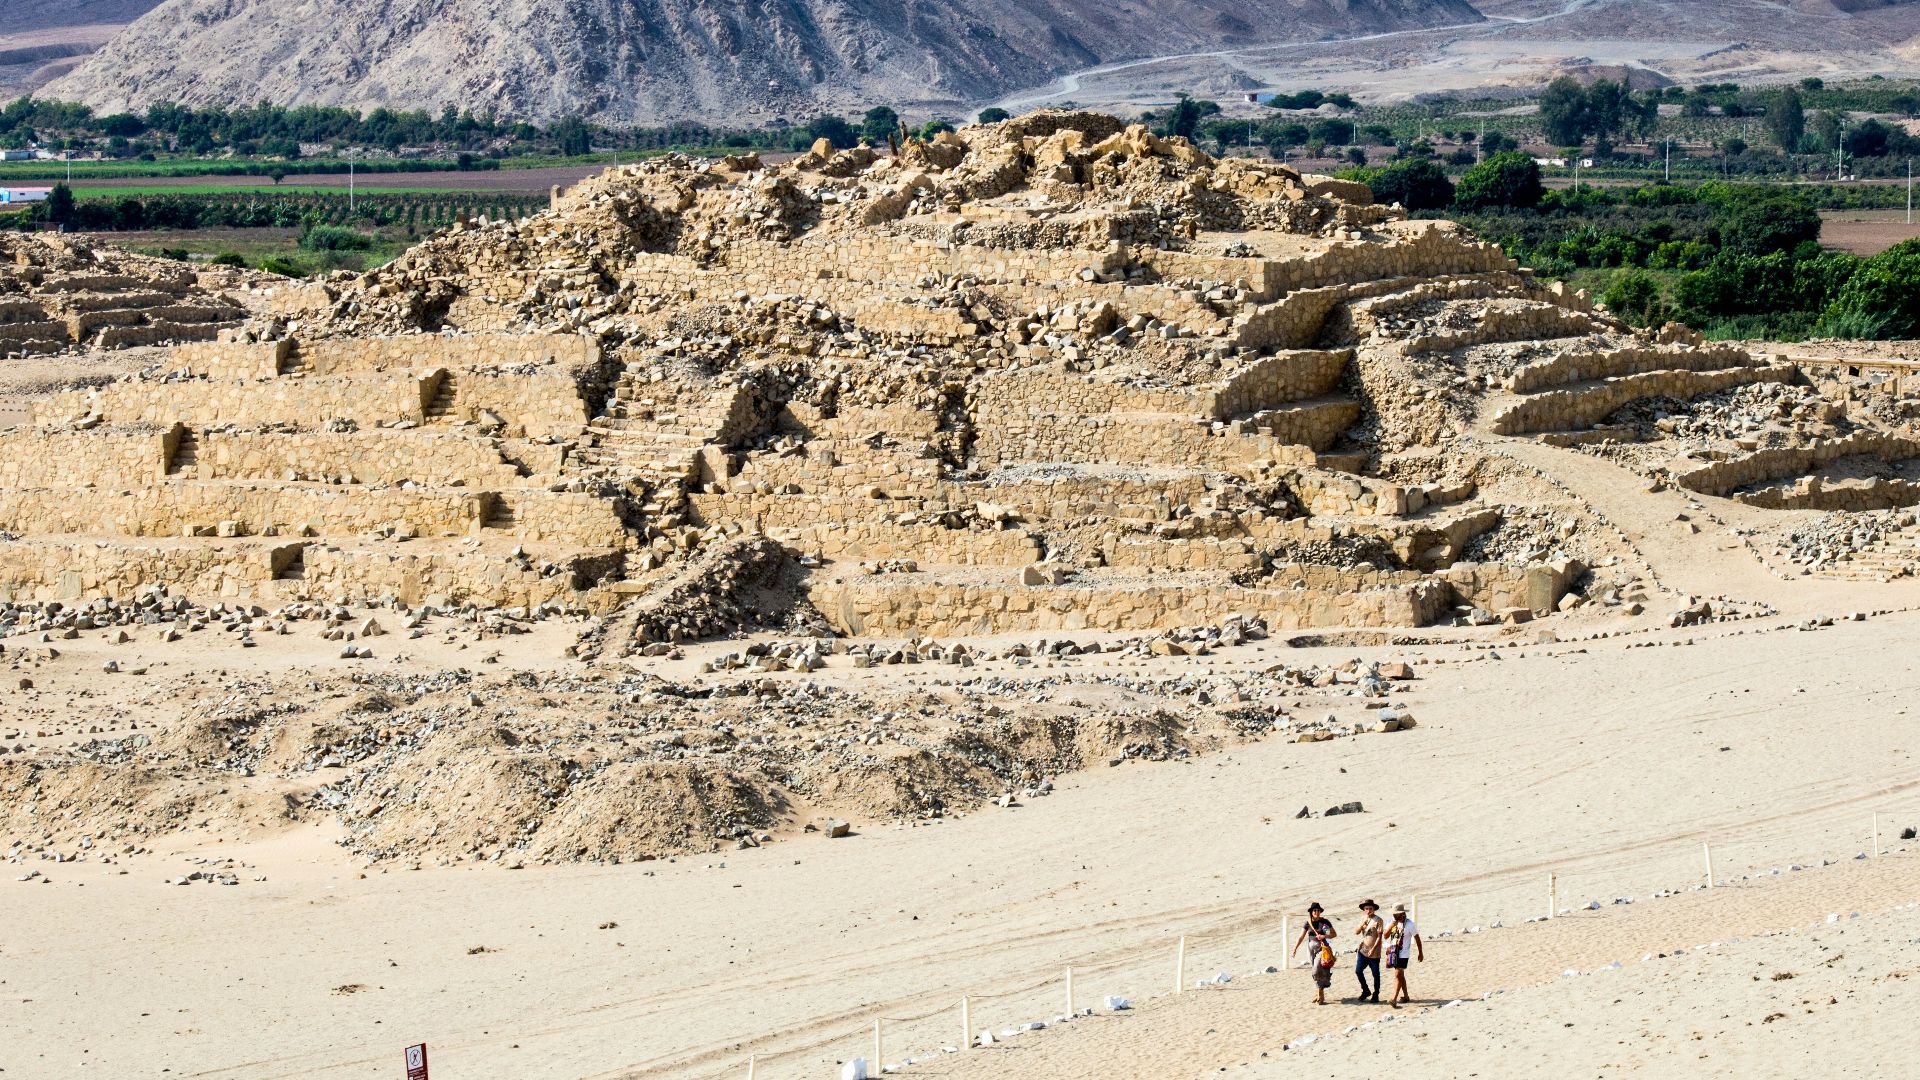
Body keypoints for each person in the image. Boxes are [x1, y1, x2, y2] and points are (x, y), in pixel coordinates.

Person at [1290, 901, 1338, 1004]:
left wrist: (1324, 936)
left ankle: (1320, 993)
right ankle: (1319, 993)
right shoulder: (1308, 923)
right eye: (1314, 910)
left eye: (1318, 910)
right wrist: (1295, 948)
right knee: (1315, 971)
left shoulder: (1325, 922)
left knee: (1317, 969)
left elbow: (1334, 934)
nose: (1316, 912)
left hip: (1322, 948)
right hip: (1310, 950)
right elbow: (1301, 936)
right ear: (1311, 912)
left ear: (1320, 911)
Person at [1382, 902, 1423, 1007]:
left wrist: (1420, 952)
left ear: (1402, 913)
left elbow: (1417, 938)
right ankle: (1406, 996)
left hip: (1404, 953)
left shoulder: (1410, 924)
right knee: (1401, 975)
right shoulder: (1391, 922)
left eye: (1396, 914)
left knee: (1398, 974)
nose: (1394, 915)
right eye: (1393, 914)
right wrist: (1392, 925)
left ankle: (1394, 998)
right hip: (1393, 952)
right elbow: (1385, 936)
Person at [1353, 899, 1384, 1003]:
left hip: (1374, 953)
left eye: (1370, 908)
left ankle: (1376, 994)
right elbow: (1356, 932)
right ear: (1364, 910)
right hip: (1363, 950)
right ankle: (1365, 990)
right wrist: (1362, 925)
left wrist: (1373, 949)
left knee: (1375, 974)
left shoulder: (1378, 920)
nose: (1368, 910)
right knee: (1358, 971)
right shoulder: (1363, 919)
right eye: (1366, 908)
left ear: (1374, 909)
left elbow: (1379, 937)